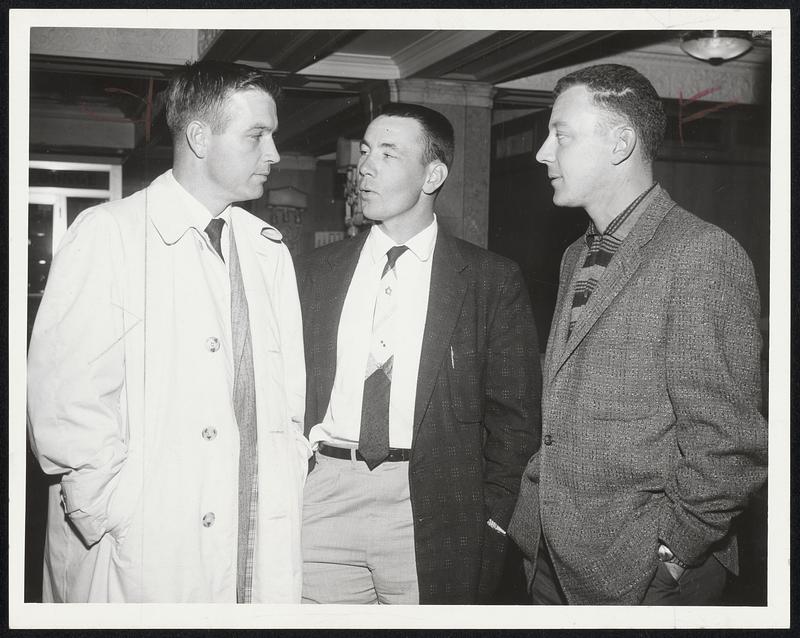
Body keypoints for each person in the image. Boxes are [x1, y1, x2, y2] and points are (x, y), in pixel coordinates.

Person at [26, 61, 309, 603]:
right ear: (199, 137)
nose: (274, 154)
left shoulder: (266, 247)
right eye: (257, 135)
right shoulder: (109, 234)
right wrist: (112, 508)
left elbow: (287, 398)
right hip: (144, 539)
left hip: (250, 528)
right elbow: (66, 402)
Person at [507, 64, 768, 605]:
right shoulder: (576, 254)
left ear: (621, 142)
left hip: (643, 574)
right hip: (552, 559)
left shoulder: (702, 255)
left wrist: (670, 555)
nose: (542, 154)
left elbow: (728, 444)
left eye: (561, 135)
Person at [296, 102, 541, 604]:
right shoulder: (314, 272)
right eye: (364, 151)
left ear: (434, 174)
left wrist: (493, 520)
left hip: (431, 502)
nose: (365, 166)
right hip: (324, 498)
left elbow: (516, 420)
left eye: (388, 153)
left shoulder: (490, 280)